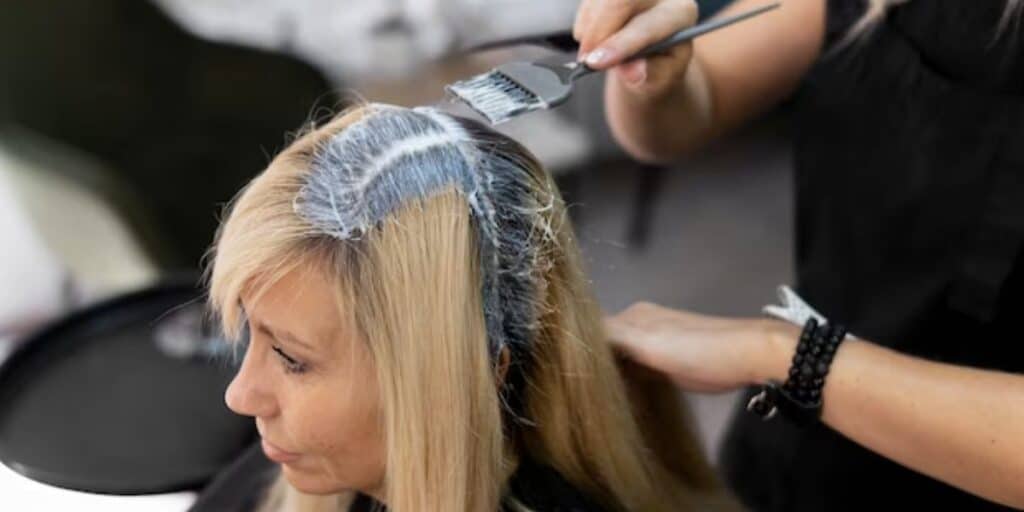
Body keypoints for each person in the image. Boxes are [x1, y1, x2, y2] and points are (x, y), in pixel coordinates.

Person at [573, 0, 1024, 510]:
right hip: (799, 446)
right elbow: (696, 102)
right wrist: (653, 81)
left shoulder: (779, 355)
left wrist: (774, 352)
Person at [192, 103, 730, 511]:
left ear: (463, 373)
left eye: (291, 358)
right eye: (251, 336)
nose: (240, 395)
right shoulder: (292, 472)